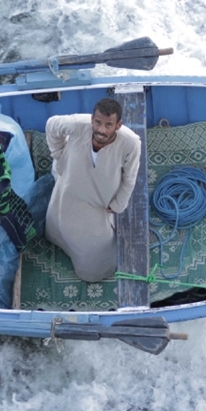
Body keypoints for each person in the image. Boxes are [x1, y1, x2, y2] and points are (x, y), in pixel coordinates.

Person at [44, 98, 141, 282]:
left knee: (94, 271)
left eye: (108, 125)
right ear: (92, 119)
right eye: (97, 122)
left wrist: (118, 204)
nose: (101, 130)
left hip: (99, 202)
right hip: (68, 189)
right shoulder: (77, 124)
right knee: (57, 223)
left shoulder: (131, 143)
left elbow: (130, 178)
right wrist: (59, 155)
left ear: (118, 125)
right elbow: (51, 125)